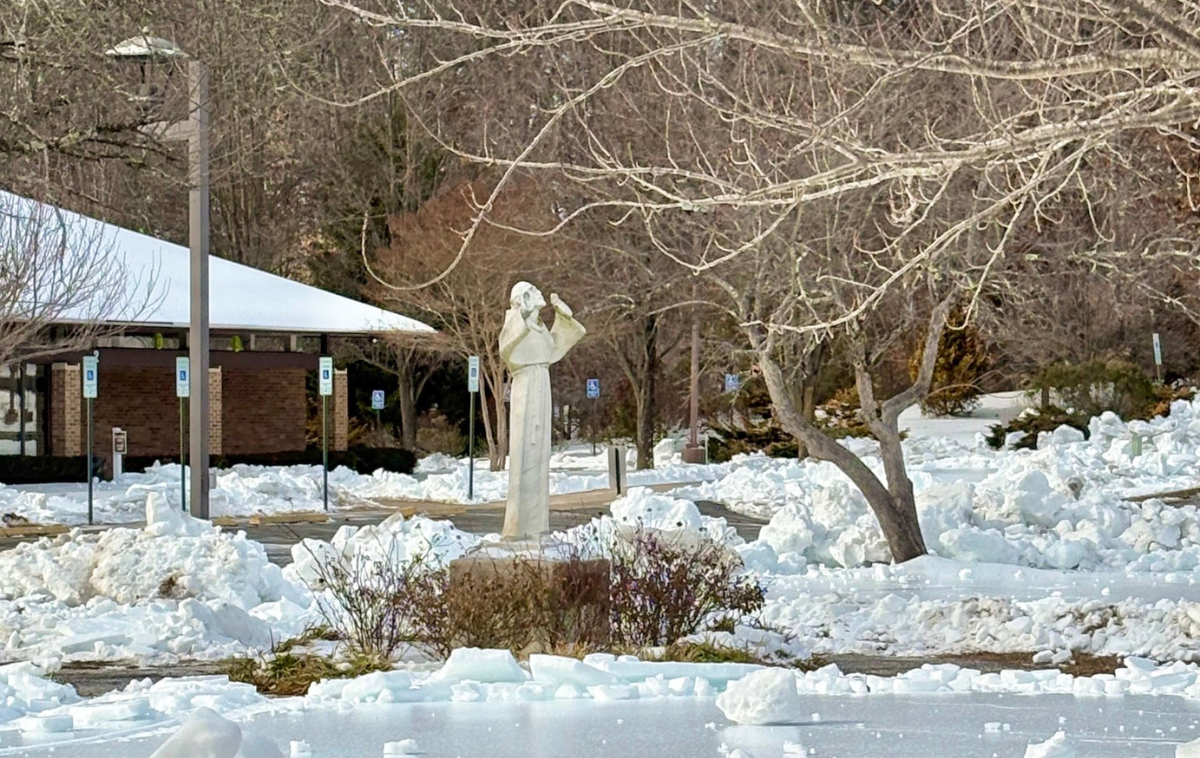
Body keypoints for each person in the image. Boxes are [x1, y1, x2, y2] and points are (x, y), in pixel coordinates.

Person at [498, 281, 586, 538]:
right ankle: (516, 527)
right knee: (524, 450)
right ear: (523, 298)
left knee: (538, 455)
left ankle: (536, 525)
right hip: (525, 388)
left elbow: (553, 348)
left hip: (541, 386)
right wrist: (522, 317)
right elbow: (508, 349)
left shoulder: (539, 328)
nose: (540, 293)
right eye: (533, 292)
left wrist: (563, 315)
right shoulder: (516, 323)